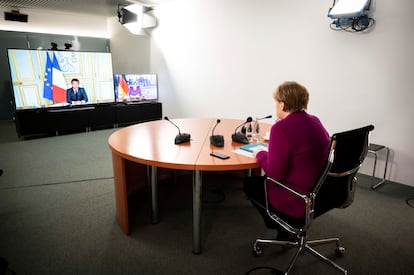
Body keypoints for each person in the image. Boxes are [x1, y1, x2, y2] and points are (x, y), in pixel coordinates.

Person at [243, 81, 330, 240]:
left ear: (282, 105)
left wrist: (260, 154)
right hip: (321, 193)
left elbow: (275, 175)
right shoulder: (315, 121)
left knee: (250, 184)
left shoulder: (281, 129)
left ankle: (281, 224)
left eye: (276, 101)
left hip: (296, 199)